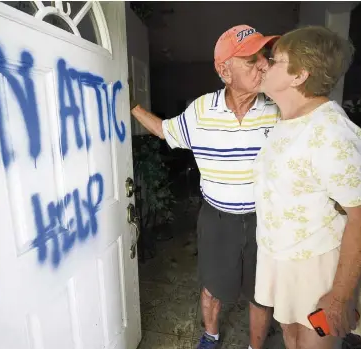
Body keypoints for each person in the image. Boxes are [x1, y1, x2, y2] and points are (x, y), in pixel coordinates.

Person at [130, 25, 279, 349]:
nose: (264, 65)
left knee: (262, 291)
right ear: (224, 71)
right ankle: (210, 337)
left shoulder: (278, 108)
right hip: (217, 219)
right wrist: (132, 106)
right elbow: (163, 130)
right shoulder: (200, 111)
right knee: (212, 286)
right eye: (252, 59)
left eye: (264, 57)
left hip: (265, 220)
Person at [253, 25, 361, 349]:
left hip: (318, 264)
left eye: (275, 60)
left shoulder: (332, 132)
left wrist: (340, 295)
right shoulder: (284, 122)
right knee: (291, 338)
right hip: (282, 257)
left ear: (299, 76)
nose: (264, 64)